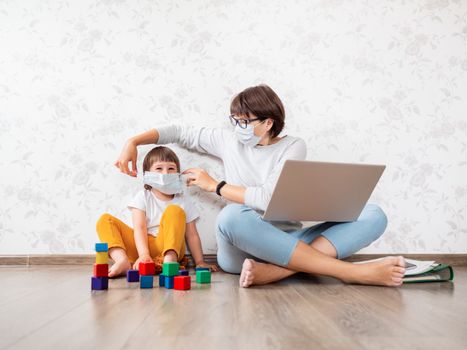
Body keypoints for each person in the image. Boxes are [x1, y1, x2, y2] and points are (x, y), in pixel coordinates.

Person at [114, 84, 405, 287]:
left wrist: (215, 186)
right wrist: (133, 142)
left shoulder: (293, 146)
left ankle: (277, 271)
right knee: (232, 214)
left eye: (244, 121)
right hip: (242, 248)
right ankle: (351, 273)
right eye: (235, 120)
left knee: (374, 213)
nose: (236, 127)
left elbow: (267, 199)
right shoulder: (228, 141)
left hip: (289, 238)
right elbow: (178, 131)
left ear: (267, 123)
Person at [96, 145, 218, 277]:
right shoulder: (143, 196)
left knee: (174, 210)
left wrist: (200, 261)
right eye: (159, 168)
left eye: (171, 168)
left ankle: (169, 260)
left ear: (177, 174)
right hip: (143, 247)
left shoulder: (183, 201)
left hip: (169, 245)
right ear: (148, 174)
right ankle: (122, 260)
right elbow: (139, 227)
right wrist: (144, 254)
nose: (165, 173)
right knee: (105, 220)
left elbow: (192, 235)